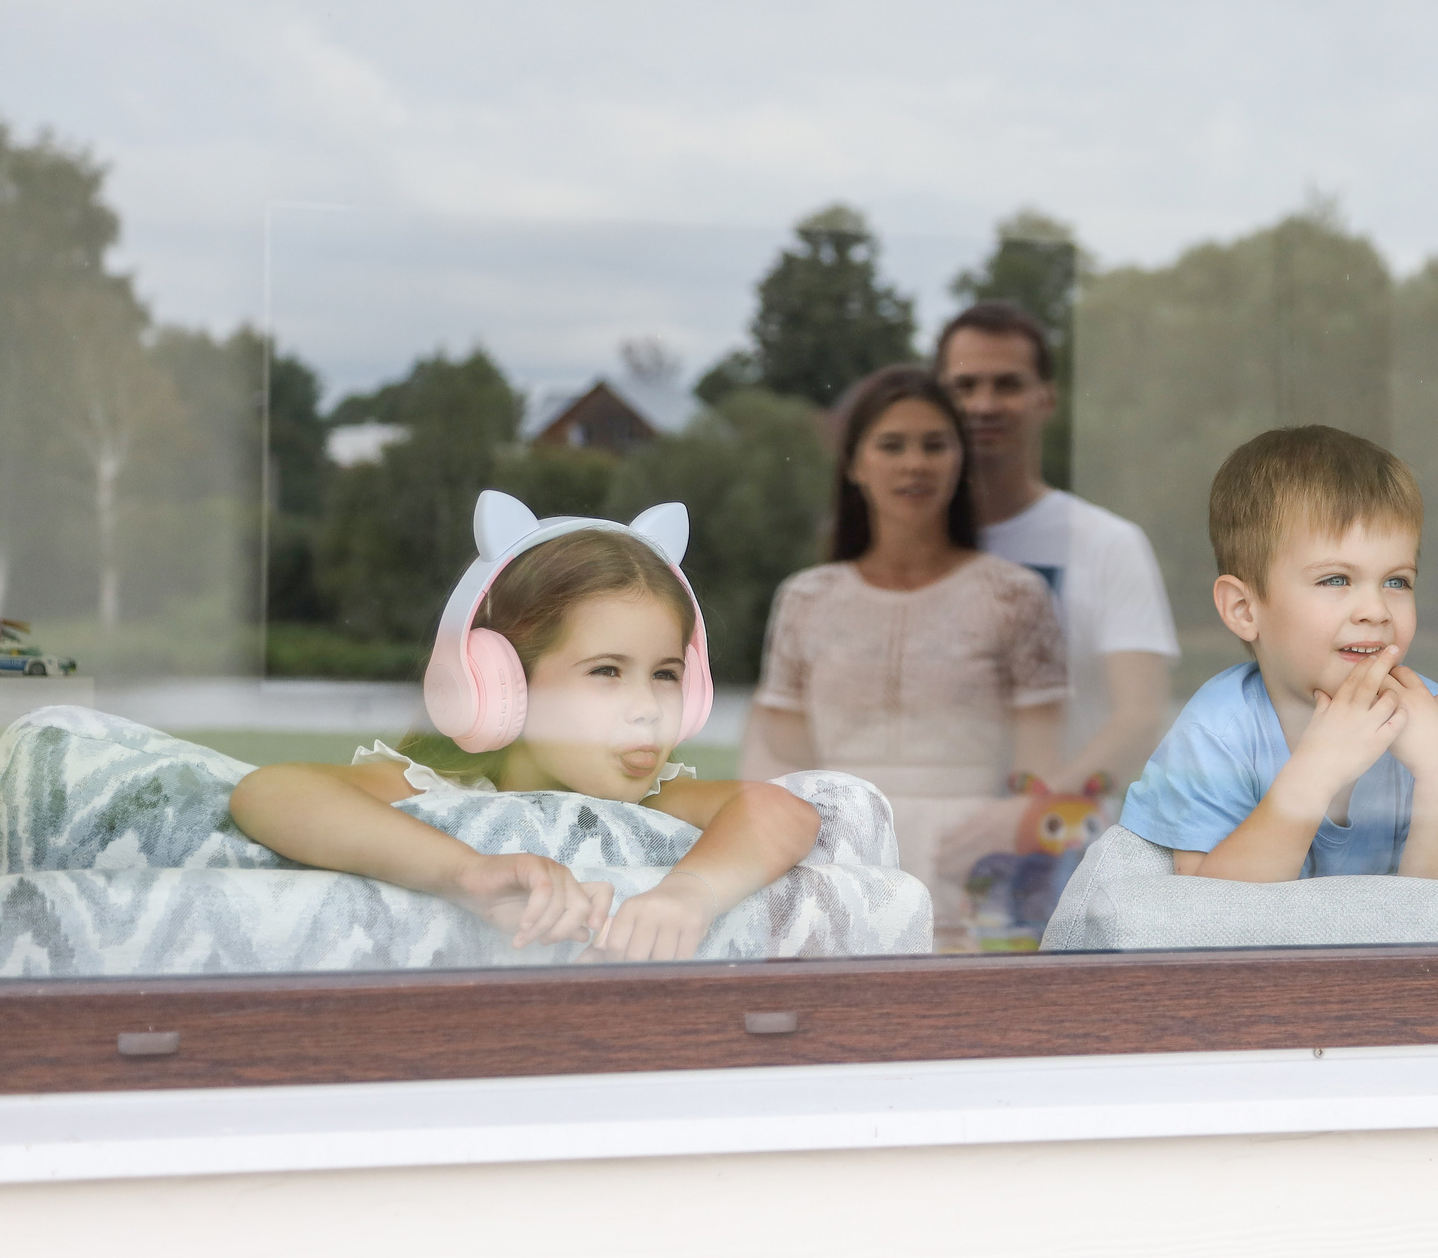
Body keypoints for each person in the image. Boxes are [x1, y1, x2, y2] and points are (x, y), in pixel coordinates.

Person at [229, 494, 824, 962]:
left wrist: (690, 895)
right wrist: (466, 873)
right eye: (607, 671)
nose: (647, 707)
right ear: (498, 682)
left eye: (667, 675)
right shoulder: (434, 790)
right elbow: (269, 792)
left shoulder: (659, 797)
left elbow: (782, 812)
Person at [739, 366, 1068, 949]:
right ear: (855, 465)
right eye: (892, 445)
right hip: (832, 864)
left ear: (960, 461)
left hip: (974, 871)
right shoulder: (806, 598)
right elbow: (774, 755)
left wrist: (1009, 824)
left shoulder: (1014, 596)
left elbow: (1043, 766)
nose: (914, 463)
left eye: (934, 445)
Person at [1117, 425, 1438, 882]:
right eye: (1335, 580)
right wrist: (1316, 771)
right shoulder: (1217, 735)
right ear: (1244, 609)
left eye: (1396, 581)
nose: (1376, 610)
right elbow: (1206, 917)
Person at [936, 300, 1178, 790]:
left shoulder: (1110, 543)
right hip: (924, 844)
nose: (983, 405)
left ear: (1046, 399)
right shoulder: (909, 547)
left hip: (1065, 850)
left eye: (1007, 384)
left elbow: (1141, 718)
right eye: (965, 386)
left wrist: (1033, 819)